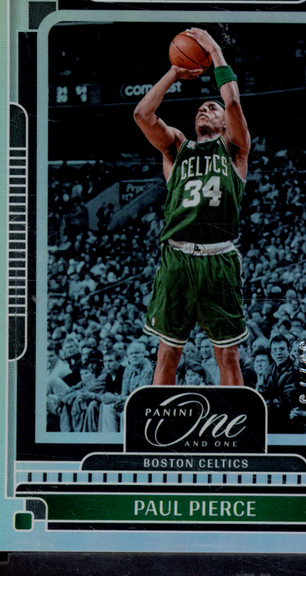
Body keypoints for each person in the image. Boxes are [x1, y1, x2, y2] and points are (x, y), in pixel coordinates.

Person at [133, 27, 251, 386]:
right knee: (167, 354)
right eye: (201, 107)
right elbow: (142, 114)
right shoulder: (177, 148)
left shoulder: (234, 150)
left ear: (223, 123)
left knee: (228, 356)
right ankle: (159, 420)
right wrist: (174, 71)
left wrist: (214, 50)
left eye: (211, 108)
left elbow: (232, 102)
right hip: (178, 258)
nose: (205, 108)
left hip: (219, 259)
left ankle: (235, 416)